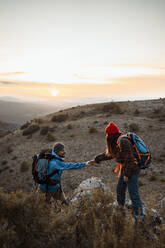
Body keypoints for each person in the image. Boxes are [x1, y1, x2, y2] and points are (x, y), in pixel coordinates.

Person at [94, 122, 144, 222]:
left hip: (131, 170)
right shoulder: (117, 141)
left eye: (107, 135)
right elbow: (110, 154)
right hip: (126, 169)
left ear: (110, 135)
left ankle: (139, 219)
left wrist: (127, 174)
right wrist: (97, 159)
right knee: (120, 190)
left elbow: (129, 158)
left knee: (133, 194)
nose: (106, 137)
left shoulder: (123, 141)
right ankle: (121, 213)